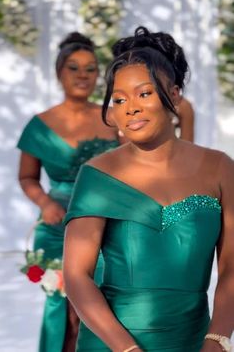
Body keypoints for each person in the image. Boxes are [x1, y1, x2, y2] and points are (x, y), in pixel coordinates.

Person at [63, 26, 234, 352]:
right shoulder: (97, 175)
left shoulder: (220, 168)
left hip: (194, 341)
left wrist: (217, 340)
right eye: (119, 99)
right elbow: (76, 276)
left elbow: (232, 267)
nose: (131, 108)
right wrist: (127, 350)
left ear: (174, 95)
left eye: (144, 93)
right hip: (111, 344)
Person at [17, 31, 120, 352]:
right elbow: (27, 177)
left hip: (105, 221)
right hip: (56, 225)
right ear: (59, 72)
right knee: (64, 308)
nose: (82, 76)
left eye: (90, 69)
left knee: (98, 306)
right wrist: (45, 203)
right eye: (74, 68)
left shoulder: (112, 118)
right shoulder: (40, 124)